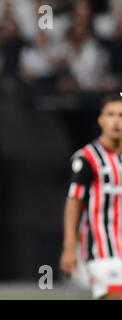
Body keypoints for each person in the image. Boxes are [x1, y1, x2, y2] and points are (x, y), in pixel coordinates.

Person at [60, 94, 122, 300]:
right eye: (110, 115)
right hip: (102, 248)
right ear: (101, 119)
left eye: (121, 115)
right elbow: (73, 202)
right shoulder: (87, 158)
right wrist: (69, 247)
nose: (116, 121)